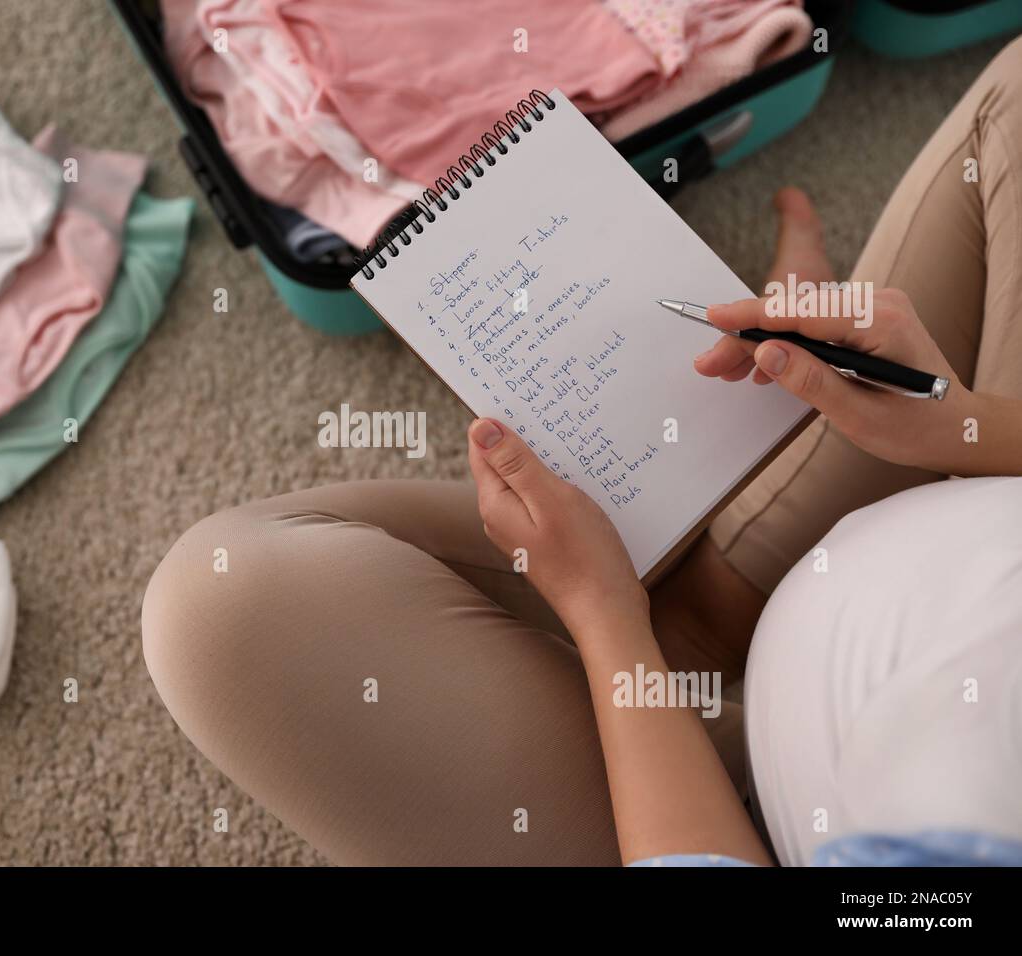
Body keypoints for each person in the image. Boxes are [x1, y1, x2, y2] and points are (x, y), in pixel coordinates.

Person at [142, 39, 1022, 865]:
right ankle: (701, 578)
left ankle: (677, 605)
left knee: (218, 608)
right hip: (954, 504)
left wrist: (608, 621)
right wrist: (962, 425)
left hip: (736, 803)